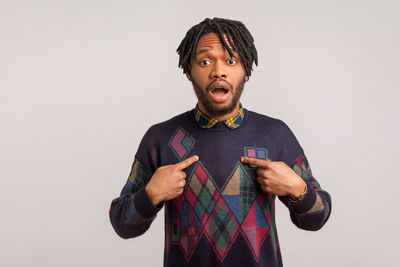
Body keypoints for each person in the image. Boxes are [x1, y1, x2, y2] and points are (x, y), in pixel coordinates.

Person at [109, 17, 331, 267]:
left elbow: (317, 219)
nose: (218, 71)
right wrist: (151, 194)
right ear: (188, 71)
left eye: (231, 60)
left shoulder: (275, 134)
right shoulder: (161, 138)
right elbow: (122, 225)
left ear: (246, 71)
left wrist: (297, 189)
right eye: (205, 61)